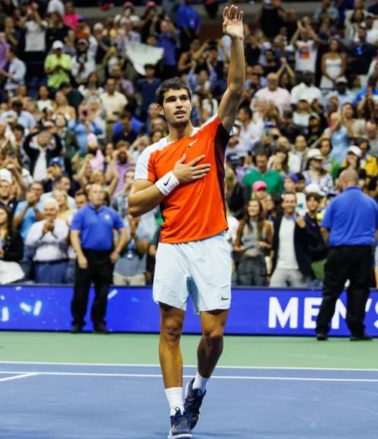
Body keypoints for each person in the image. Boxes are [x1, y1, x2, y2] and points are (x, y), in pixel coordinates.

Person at [127, 5, 245, 437]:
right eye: (171, 100)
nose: (179, 104)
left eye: (184, 98)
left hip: (212, 243)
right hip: (172, 247)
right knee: (171, 327)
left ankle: (201, 386)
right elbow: (134, 205)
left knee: (212, 335)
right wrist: (171, 181)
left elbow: (235, 86)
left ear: (192, 104)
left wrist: (236, 39)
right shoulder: (153, 154)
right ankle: (177, 411)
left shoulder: (212, 134)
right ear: (160, 109)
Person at [316, 169, 378, 341]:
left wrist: (330, 244)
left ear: (344, 181)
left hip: (339, 250)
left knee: (331, 290)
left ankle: (322, 329)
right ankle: (357, 331)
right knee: (359, 291)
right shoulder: (370, 202)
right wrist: (371, 243)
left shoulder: (336, 202)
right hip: (362, 251)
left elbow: (324, 227)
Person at [70, 183, 127, 333]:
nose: (97, 195)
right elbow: (74, 234)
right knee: (81, 292)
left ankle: (99, 323)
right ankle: (78, 322)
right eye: (94, 192)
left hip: (105, 257)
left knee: (102, 293)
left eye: (100, 192)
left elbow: (123, 232)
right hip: (86, 255)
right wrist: (80, 255)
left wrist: (117, 251)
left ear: (104, 196)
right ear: (89, 195)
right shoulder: (81, 213)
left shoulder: (111, 213)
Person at [25, 198, 70, 284]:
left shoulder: (63, 225)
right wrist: (42, 234)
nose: (49, 212)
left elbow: (65, 242)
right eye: (46, 210)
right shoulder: (36, 226)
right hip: (40, 265)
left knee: (58, 293)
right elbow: (29, 243)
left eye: (52, 210)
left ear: (57, 211)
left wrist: (54, 232)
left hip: (59, 265)